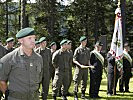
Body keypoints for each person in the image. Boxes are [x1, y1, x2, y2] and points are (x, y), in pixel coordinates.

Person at [0, 27, 44, 100]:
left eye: (34, 38)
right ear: (21, 40)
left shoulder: (39, 58)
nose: (33, 41)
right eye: (29, 38)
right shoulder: (9, 58)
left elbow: (39, 78)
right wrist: (8, 95)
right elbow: (1, 80)